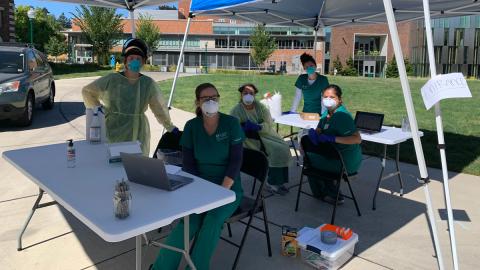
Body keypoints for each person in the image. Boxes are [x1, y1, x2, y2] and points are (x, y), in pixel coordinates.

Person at [152, 83, 244, 270]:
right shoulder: (192, 126)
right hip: (200, 185)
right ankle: (161, 267)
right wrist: (197, 190)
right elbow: (189, 164)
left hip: (228, 187)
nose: (211, 101)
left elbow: (236, 162)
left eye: (214, 97)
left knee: (212, 219)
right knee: (189, 221)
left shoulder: (231, 123)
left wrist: (221, 191)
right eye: (206, 98)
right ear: (197, 102)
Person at [82, 38, 177, 155]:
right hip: (113, 130)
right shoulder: (112, 79)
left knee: (136, 166)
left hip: (138, 132)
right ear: (125, 61)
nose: (135, 61)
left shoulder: (148, 84)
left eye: (138, 59)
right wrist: (99, 111)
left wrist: (169, 126)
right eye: (131, 58)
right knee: (113, 163)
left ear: (143, 62)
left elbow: (159, 107)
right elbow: (87, 91)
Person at [230, 83, 292, 195]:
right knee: (276, 150)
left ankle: (279, 181)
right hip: (249, 141)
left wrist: (259, 127)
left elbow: (268, 123)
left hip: (265, 135)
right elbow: (233, 129)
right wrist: (243, 129)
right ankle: (271, 183)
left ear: (255, 95)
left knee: (283, 146)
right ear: (241, 95)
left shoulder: (261, 107)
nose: (248, 95)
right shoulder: (236, 110)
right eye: (245, 93)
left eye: (251, 93)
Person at [306, 84, 362, 204]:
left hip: (345, 160)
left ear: (339, 99)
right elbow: (320, 129)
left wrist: (333, 138)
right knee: (310, 157)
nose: (328, 100)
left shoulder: (342, 116)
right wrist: (316, 133)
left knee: (310, 161)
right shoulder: (326, 114)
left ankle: (331, 194)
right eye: (325, 97)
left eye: (332, 97)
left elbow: (357, 139)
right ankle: (325, 192)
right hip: (332, 155)